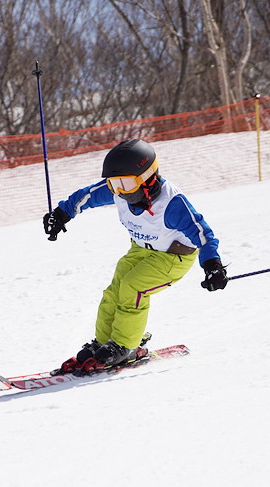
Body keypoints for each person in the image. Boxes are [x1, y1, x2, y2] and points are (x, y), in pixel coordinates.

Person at [43, 139, 227, 374]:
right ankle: (104, 342)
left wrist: (213, 264)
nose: (119, 191)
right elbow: (87, 196)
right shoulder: (119, 192)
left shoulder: (171, 204)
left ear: (148, 178)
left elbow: (203, 234)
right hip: (141, 249)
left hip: (173, 258)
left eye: (126, 184)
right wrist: (61, 214)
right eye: (113, 184)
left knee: (133, 288)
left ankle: (125, 345)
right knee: (115, 289)